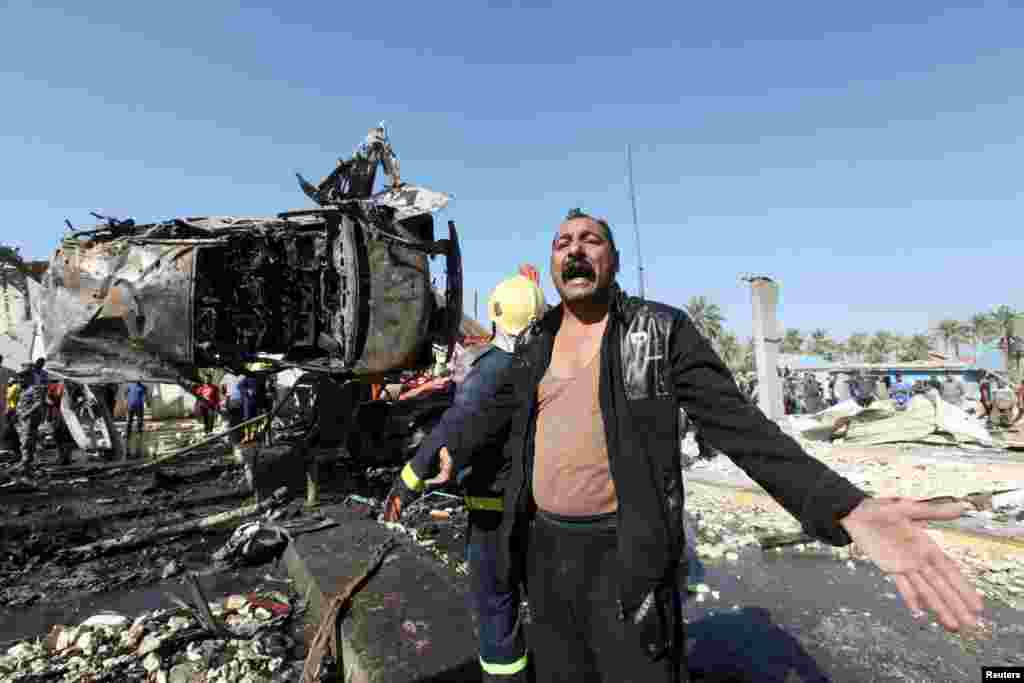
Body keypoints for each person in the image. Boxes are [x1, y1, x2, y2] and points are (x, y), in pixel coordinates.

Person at [426, 210, 983, 682]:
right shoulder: (536, 343)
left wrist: (846, 508)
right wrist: (457, 454)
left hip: (629, 554)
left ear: (613, 261)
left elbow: (738, 426)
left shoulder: (660, 331)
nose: (575, 251)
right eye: (562, 243)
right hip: (544, 553)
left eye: (591, 241)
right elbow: (494, 415)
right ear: (551, 265)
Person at [384, 274, 546, 683]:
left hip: (495, 512)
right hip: (537, 508)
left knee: (495, 607)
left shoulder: (494, 368)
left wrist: (407, 481)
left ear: (494, 314)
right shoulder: (543, 365)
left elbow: (453, 428)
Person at [13, 358, 50, 471]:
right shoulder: (24, 389)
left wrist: (26, 414)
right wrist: (18, 414)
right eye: (20, 377)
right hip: (23, 419)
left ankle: (26, 463)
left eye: (23, 377)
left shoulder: (35, 388)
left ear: (29, 377)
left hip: (30, 419)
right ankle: (26, 462)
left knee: (27, 441)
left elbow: (39, 403)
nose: (20, 379)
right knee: (24, 440)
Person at [125, 381, 149, 457]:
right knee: (131, 422)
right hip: (134, 406)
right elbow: (125, 393)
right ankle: (134, 433)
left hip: (135, 406)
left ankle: (137, 433)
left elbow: (125, 394)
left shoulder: (140, 386)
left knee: (135, 421)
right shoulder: (139, 386)